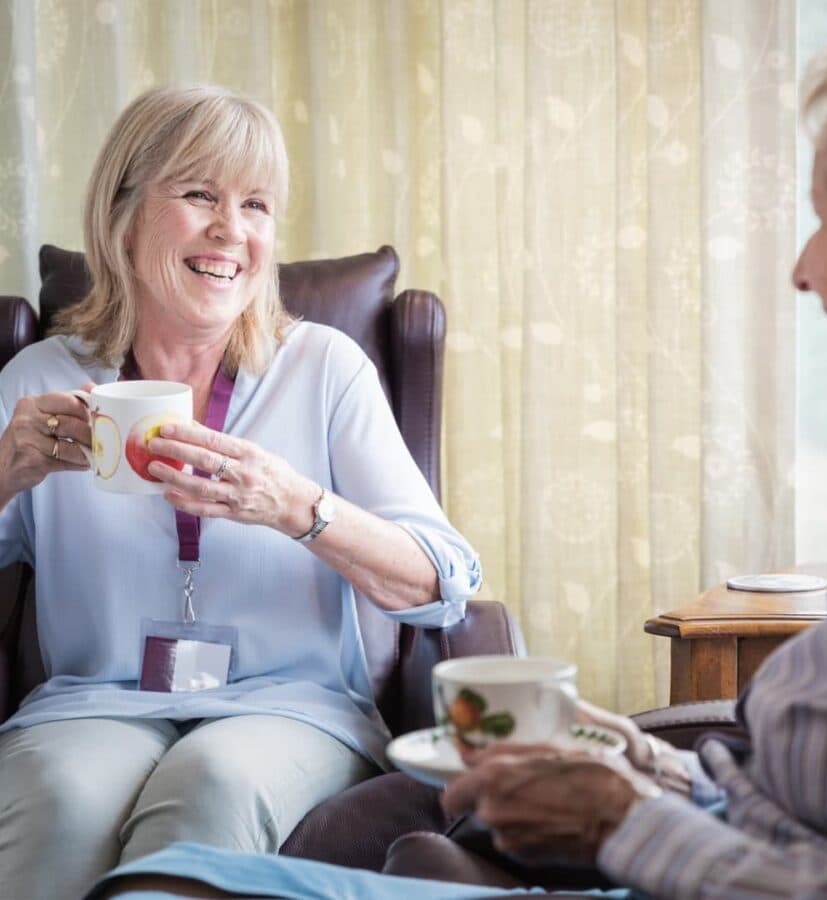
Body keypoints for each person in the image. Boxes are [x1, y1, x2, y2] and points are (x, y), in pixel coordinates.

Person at [87, 4, 827, 899]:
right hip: (93, 716)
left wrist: (624, 823)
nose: (803, 270)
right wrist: (620, 754)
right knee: (161, 865)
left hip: (298, 725)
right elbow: (782, 800)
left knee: (193, 848)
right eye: (198, 196)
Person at [0, 84, 482, 899]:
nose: (233, 230)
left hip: (291, 709)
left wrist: (298, 509)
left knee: (214, 782)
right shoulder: (42, 379)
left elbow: (444, 585)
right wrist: (5, 470)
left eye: (255, 204)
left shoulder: (324, 369)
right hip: (93, 705)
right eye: (199, 195)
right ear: (122, 215)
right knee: (58, 797)